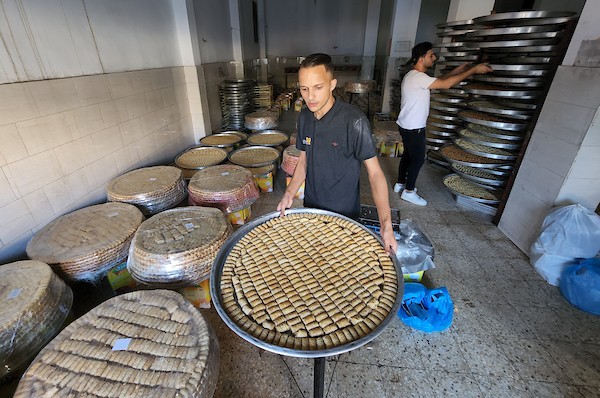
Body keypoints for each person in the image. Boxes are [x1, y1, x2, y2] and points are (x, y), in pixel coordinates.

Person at [276, 53, 398, 255]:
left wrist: (386, 224)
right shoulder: (305, 117)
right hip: (312, 211)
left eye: (318, 87)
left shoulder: (354, 121)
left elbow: (375, 174)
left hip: (345, 216)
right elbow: (304, 160)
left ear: (332, 84)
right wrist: (289, 193)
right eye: (304, 89)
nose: (311, 96)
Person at [394, 42, 493, 206]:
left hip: (406, 125)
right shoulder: (419, 78)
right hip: (414, 128)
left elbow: (440, 80)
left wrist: (459, 70)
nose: (434, 58)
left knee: (408, 155)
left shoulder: (413, 76)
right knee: (417, 159)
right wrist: (472, 71)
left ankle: (400, 183)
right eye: (431, 55)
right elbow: (446, 85)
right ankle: (409, 191)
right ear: (421, 58)